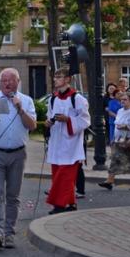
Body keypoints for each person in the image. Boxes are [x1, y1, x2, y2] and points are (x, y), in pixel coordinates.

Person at [0, 67, 36, 250]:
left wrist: (20, 109)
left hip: (18, 154)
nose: (7, 84)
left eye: (11, 80)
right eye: (4, 81)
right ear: (0, 82)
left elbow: (32, 126)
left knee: (13, 196)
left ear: (18, 82)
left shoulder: (26, 101)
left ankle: (9, 233)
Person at [44, 69, 90, 214]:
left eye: (59, 77)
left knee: (65, 176)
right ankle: (70, 202)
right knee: (58, 173)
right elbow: (49, 115)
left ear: (67, 79)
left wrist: (68, 120)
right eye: (55, 77)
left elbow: (85, 120)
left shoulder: (77, 99)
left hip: (71, 144)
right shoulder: (53, 99)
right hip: (57, 142)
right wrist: (48, 122)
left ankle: (60, 204)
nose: (55, 80)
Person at [98, 91, 130, 191]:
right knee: (115, 159)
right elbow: (117, 126)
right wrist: (114, 139)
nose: (122, 101)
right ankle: (109, 181)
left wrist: (125, 127)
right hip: (120, 140)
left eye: (125, 99)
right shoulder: (120, 111)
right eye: (121, 100)